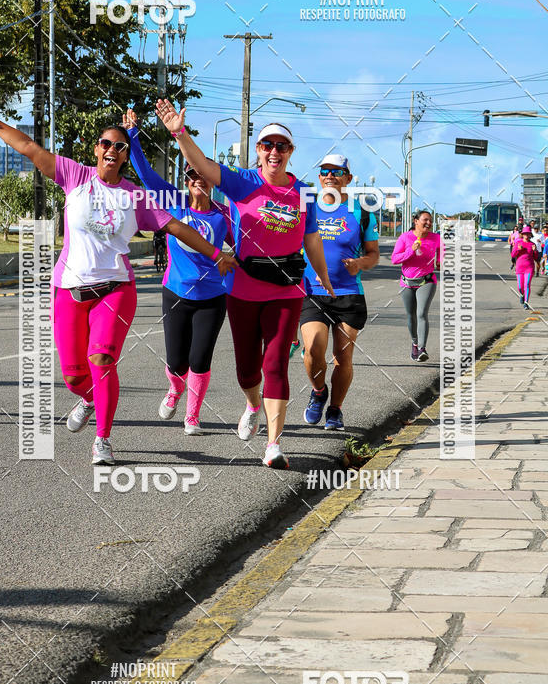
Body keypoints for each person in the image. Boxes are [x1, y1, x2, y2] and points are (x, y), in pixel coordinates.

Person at [0, 90, 236, 465]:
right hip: (69, 288)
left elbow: (179, 229)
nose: (112, 150)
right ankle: (87, 398)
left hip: (115, 290)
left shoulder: (136, 197)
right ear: (96, 149)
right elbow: (25, 146)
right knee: (73, 375)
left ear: (123, 156)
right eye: (106, 143)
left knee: (102, 359)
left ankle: (102, 438)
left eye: (120, 147)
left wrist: (218, 253)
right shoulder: (74, 175)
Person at [156, 97, 334, 469]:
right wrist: (179, 133)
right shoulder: (243, 183)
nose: (274, 152)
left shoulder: (304, 193)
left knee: (275, 366)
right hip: (242, 288)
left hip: (287, 289)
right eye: (268, 145)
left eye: (281, 146)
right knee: (247, 370)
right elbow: (200, 165)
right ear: (258, 151)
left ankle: (273, 444)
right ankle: (253, 404)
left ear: (290, 153)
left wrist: (323, 277)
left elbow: (312, 239)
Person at [122, 109, 231, 435]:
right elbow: (145, 174)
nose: (198, 180)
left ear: (211, 181)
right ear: (186, 181)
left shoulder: (223, 216)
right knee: (176, 362)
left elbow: (245, 244)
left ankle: (192, 416)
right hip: (176, 292)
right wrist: (133, 137)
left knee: (199, 360)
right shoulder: (174, 202)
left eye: (203, 176)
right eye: (192, 176)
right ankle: (174, 387)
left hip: (212, 297)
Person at [301, 155, 379, 430]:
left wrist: (360, 264)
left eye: (337, 172)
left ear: (348, 177)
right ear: (320, 177)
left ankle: (335, 409)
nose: (330, 176)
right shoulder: (307, 209)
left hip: (348, 293)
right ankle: (319, 391)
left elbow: (373, 255)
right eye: (325, 171)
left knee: (343, 357)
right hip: (313, 292)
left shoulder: (361, 212)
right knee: (313, 349)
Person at [391, 210, 442, 362]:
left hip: (426, 281)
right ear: (416, 221)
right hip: (406, 282)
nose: (428, 223)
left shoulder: (436, 238)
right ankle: (414, 343)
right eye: (425, 220)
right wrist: (411, 250)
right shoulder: (405, 237)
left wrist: (440, 262)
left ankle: (422, 348)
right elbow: (395, 259)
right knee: (411, 316)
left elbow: (441, 253)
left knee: (421, 313)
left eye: (430, 220)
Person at [512, 225, 539, 310]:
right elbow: (513, 255)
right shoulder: (518, 243)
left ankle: (526, 303)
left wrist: (535, 251)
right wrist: (518, 250)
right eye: (525, 234)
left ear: (530, 235)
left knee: (527, 284)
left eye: (528, 234)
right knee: (520, 287)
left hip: (529, 267)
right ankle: (522, 295)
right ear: (522, 234)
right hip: (520, 267)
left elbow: (536, 257)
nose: (527, 236)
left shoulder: (532, 244)